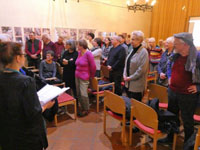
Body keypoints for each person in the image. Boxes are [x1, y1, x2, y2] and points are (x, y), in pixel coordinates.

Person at [0, 41, 55, 150]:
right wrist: (45, 106)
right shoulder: (25, 81)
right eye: (23, 55)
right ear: (17, 58)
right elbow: (33, 112)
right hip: (26, 136)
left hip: (6, 133)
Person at [159, 32, 200, 145]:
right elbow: (168, 66)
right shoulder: (175, 55)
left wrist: (198, 87)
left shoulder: (197, 57)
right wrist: (170, 76)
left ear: (185, 45)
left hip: (187, 95)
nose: (174, 45)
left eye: (176, 43)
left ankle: (188, 144)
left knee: (187, 120)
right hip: (173, 91)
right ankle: (170, 138)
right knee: (171, 116)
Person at [123, 31, 149, 102]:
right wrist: (124, 74)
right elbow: (126, 63)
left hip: (136, 84)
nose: (131, 41)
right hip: (128, 82)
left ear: (140, 40)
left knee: (135, 106)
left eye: (133, 39)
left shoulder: (144, 52)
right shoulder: (132, 50)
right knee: (128, 103)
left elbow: (141, 70)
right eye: (131, 39)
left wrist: (130, 78)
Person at [75, 39, 96, 116]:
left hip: (84, 76)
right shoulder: (79, 53)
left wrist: (91, 76)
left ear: (81, 46)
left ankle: (86, 109)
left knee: (83, 93)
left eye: (78, 45)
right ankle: (82, 107)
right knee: (79, 93)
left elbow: (93, 66)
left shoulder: (88, 54)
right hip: (77, 75)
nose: (77, 46)